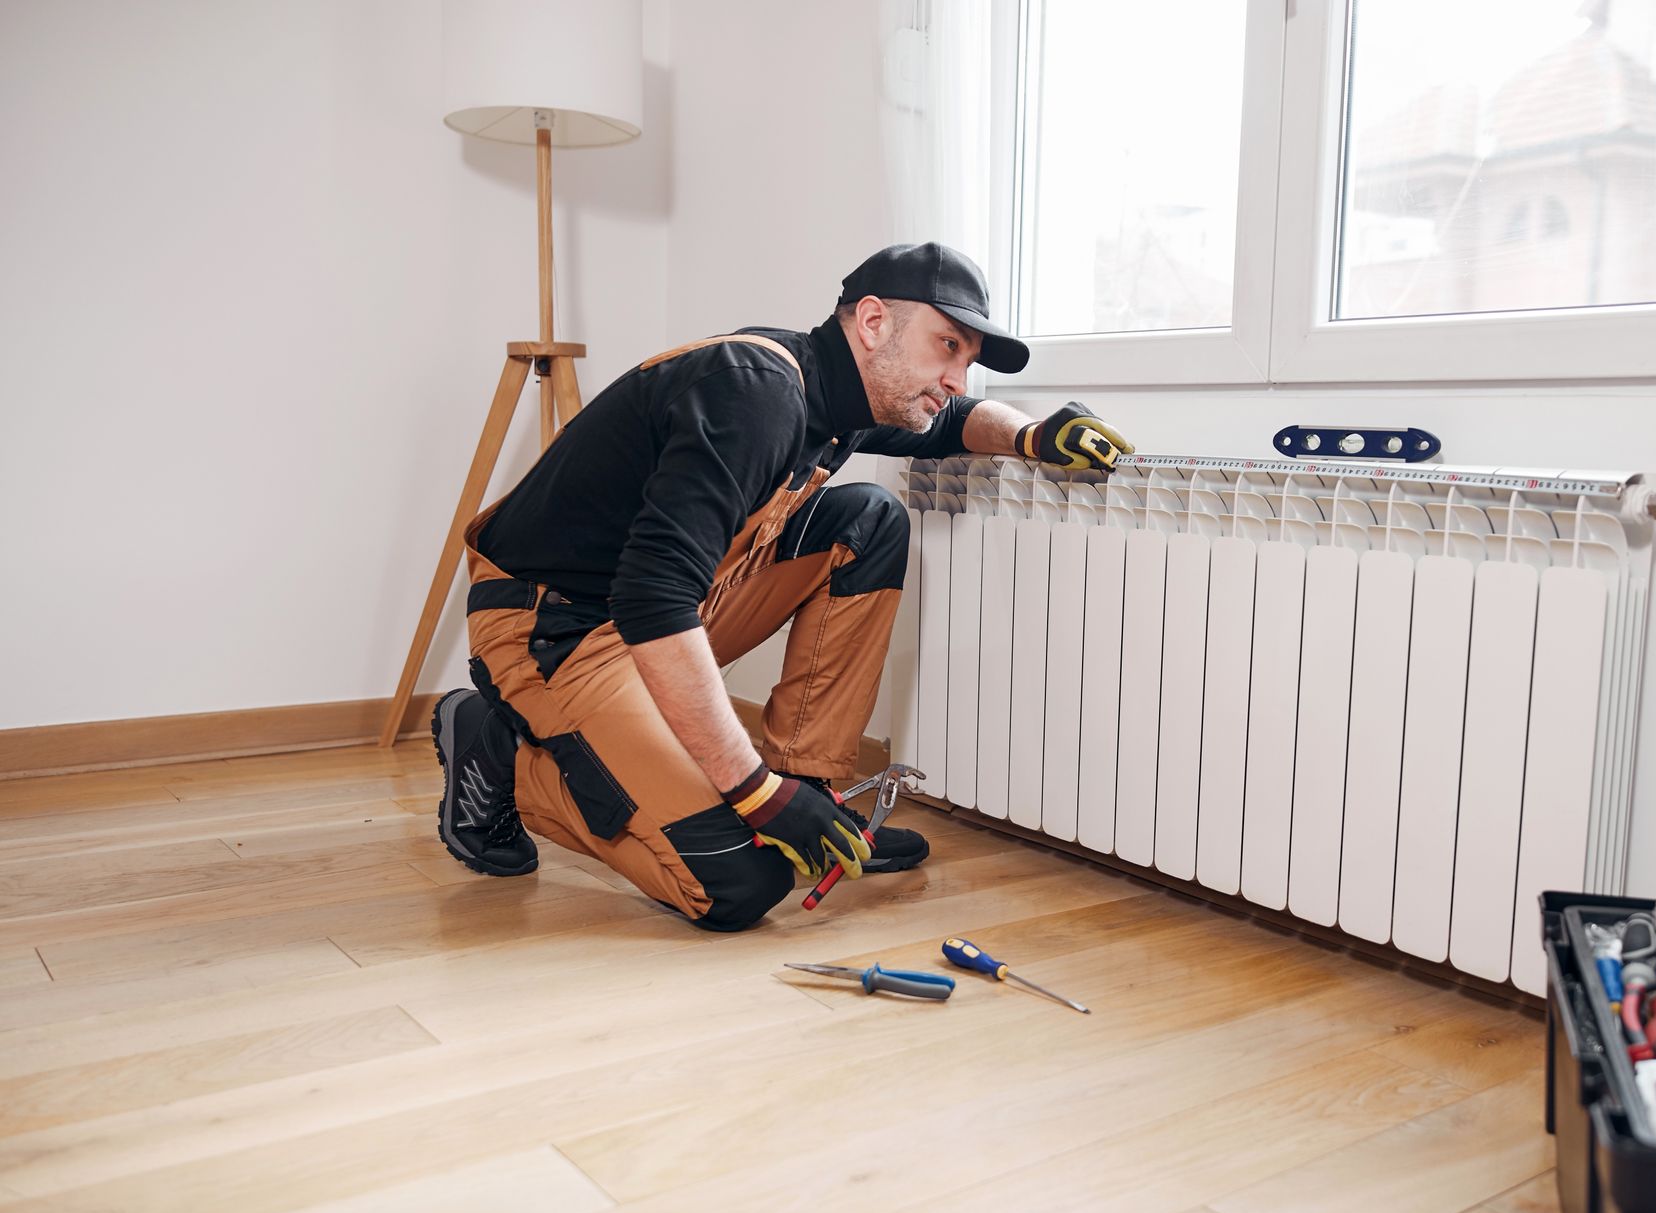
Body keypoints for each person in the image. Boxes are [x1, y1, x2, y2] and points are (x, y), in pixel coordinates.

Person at [430, 242, 1132, 930]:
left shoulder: (838, 394)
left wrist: (1034, 436)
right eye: (947, 346)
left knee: (867, 518)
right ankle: (500, 752)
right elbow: (652, 599)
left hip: (656, 612)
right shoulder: (755, 394)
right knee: (737, 883)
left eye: (968, 360)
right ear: (874, 322)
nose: (958, 376)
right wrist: (753, 793)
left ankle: (814, 792)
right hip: (554, 631)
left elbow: (947, 424)